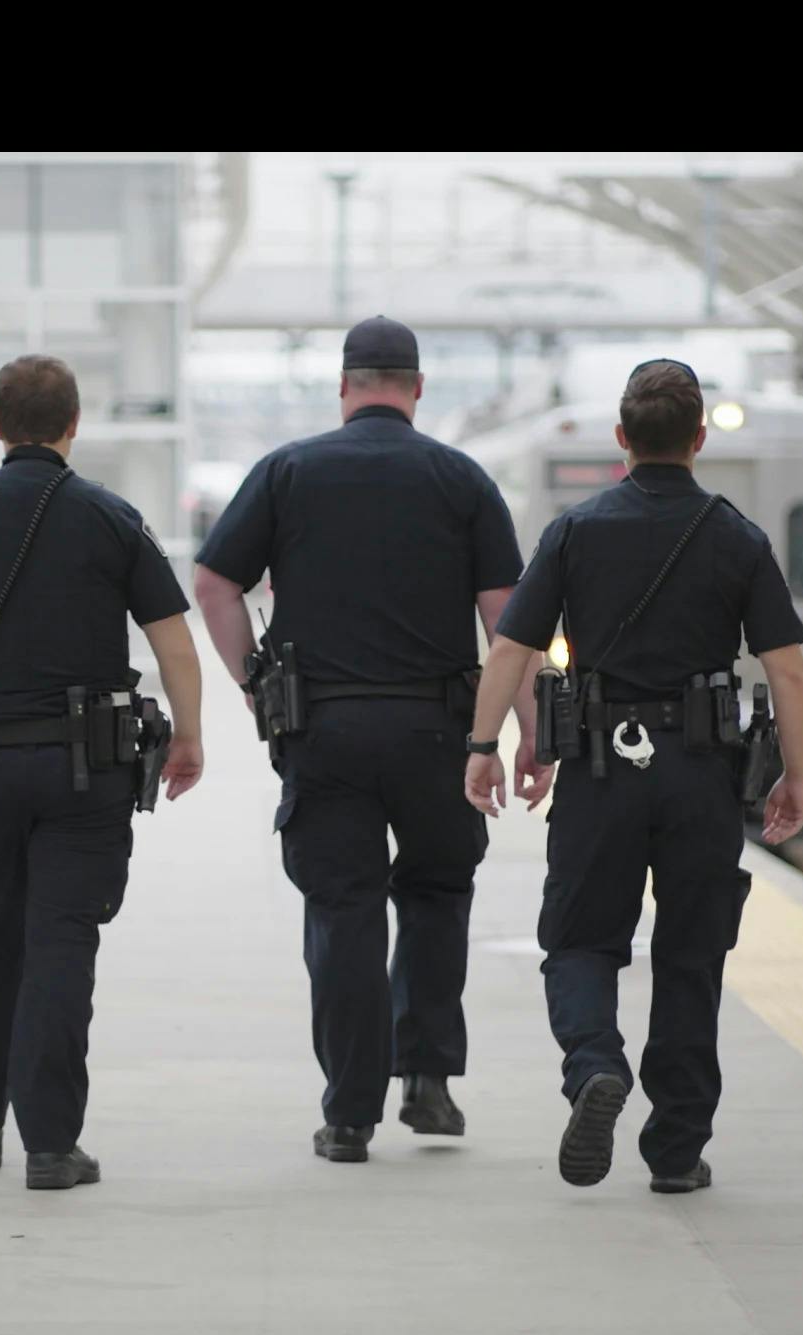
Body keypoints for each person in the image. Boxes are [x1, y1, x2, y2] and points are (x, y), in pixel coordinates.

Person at [461, 359, 803, 1195]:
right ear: (698, 440)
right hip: (700, 775)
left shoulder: (576, 532)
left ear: (622, 439)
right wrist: (795, 775)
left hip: (599, 769)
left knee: (580, 940)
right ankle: (677, 1150)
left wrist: (487, 745)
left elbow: (511, 647)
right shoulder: (736, 537)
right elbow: (788, 672)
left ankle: (593, 1067)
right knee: (692, 956)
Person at [191, 315, 529, 1164]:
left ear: (344, 388)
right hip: (439, 732)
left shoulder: (288, 471)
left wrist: (251, 686)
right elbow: (507, 624)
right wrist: (526, 734)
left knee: (342, 913)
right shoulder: (462, 480)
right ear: (416, 390)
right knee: (436, 897)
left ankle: (348, 1116)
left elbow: (213, 583)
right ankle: (428, 1082)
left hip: (325, 730)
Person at [0, 355, 205, 1191]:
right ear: (74, 425)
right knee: (62, 943)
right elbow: (172, 637)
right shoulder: (111, 517)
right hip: (85, 767)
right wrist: (190, 736)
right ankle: (50, 1144)